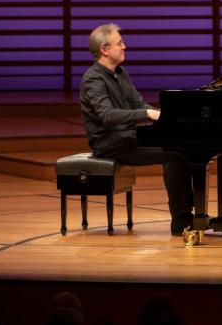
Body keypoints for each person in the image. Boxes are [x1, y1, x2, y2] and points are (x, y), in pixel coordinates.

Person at [79, 23, 194, 235]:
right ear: (104, 49)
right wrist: (147, 114)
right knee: (173, 154)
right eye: (119, 43)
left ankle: (190, 214)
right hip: (109, 144)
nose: (125, 46)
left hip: (128, 138)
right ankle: (181, 221)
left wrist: (167, 116)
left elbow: (139, 104)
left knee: (183, 147)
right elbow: (107, 116)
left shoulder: (120, 74)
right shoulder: (93, 79)